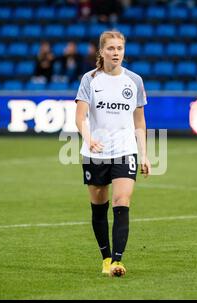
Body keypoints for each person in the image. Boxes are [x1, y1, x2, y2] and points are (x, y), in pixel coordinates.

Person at [75, 30, 151, 277]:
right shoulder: (90, 79)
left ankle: (118, 261)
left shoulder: (135, 81)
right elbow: (80, 118)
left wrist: (145, 154)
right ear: (101, 52)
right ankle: (106, 258)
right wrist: (89, 139)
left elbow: (139, 123)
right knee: (99, 208)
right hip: (95, 152)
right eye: (111, 48)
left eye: (119, 48)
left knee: (121, 202)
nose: (116, 52)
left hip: (125, 151)